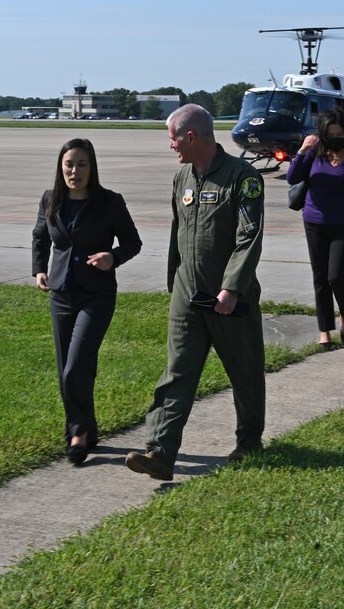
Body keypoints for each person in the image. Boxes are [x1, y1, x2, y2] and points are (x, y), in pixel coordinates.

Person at [126, 104, 265, 481]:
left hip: (228, 300)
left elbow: (248, 237)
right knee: (177, 371)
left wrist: (232, 288)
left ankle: (249, 441)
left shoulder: (243, 177)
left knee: (245, 371)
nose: (171, 146)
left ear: (191, 137)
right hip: (187, 295)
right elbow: (178, 234)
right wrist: (175, 283)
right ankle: (160, 451)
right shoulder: (181, 179)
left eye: (173, 138)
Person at [32, 138, 142, 466]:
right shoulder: (51, 199)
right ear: (60, 167)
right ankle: (86, 428)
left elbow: (133, 242)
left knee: (76, 366)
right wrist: (39, 269)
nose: (74, 171)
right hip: (61, 295)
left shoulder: (109, 202)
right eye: (69, 164)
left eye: (81, 164)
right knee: (70, 368)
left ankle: (77, 434)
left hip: (97, 294)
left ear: (91, 168)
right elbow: (40, 236)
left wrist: (113, 257)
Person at [286, 108, 344, 349]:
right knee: (320, 278)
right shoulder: (315, 154)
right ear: (323, 135)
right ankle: (324, 330)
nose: (336, 139)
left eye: (340, 134)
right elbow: (292, 178)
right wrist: (303, 150)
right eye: (331, 135)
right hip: (315, 222)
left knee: (336, 276)